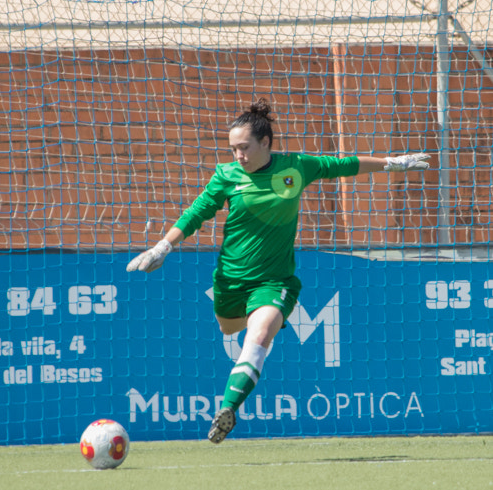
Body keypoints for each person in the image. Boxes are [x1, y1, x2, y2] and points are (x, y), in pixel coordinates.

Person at [126, 98, 430, 444]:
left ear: (265, 143)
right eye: (233, 148)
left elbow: (342, 164)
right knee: (230, 330)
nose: (238, 154)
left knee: (259, 336)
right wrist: (162, 246)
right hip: (230, 280)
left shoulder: (295, 167)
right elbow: (196, 213)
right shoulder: (227, 176)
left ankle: (227, 410)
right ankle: (240, 360)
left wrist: (392, 163)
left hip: (275, 280)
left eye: (244, 147)